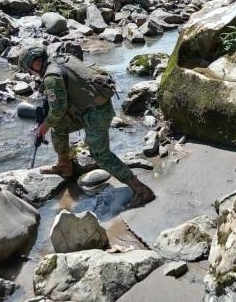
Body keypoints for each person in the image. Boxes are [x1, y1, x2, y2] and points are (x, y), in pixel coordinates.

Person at [18, 46, 156, 208]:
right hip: (91, 108)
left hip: (96, 114)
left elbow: (58, 109)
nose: (31, 73)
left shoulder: (51, 77)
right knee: (59, 127)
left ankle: (141, 190)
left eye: (30, 69)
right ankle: (65, 166)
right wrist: (50, 123)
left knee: (100, 154)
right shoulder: (61, 59)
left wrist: (44, 126)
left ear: (35, 62)